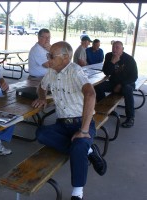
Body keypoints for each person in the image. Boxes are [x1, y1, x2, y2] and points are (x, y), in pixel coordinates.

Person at [32, 41, 107, 200]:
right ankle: (90, 151)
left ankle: (77, 193)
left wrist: (84, 130)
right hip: (62, 124)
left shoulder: (75, 71)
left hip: (82, 122)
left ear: (65, 57)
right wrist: (42, 97)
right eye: (48, 55)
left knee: (78, 146)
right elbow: (41, 86)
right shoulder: (52, 71)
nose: (48, 58)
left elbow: (91, 94)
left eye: (51, 56)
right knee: (41, 133)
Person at [94, 41, 138, 128]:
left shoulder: (129, 59)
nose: (114, 49)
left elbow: (134, 77)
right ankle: (105, 109)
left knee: (127, 89)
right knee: (97, 86)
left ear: (122, 49)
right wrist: (112, 62)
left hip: (127, 84)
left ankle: (130, 117)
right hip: (113, 83)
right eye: (113, 47)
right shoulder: (109, 56)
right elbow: (106, 72)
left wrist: (121, 84)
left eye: (117, 47)